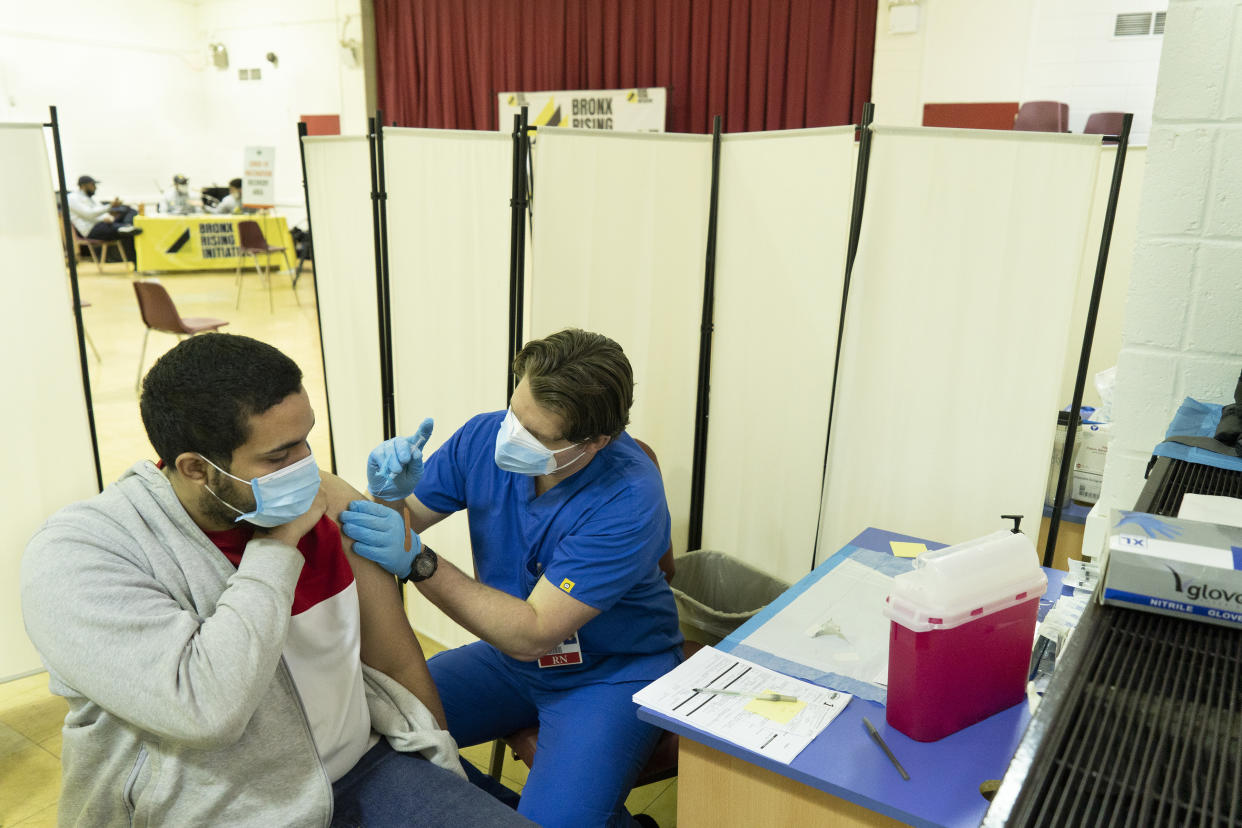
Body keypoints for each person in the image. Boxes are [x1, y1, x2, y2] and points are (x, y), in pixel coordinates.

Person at [21, 333, 532, 827]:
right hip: (217, 809)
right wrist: (277, 546)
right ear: (196, 468)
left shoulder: (328, 502)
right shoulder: (81, 555)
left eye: (307, 439)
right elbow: (207, 709)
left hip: (366, 770)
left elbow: (395, 656)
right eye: (278, 455)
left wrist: (440, 764)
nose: (306, 466)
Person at [341, 328, 682, 828]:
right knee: (366, 727)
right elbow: (403, 524)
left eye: (537, 436)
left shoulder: (627, 498)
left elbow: (534, 633)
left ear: (594, 443)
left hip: (609, 670)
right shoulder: (486, 438)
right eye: (513, 415)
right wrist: (390, 496)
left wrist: (419, 562)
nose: (512, 438)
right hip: (510, 661)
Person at [67, 174, 141, 265]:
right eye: (92, 185)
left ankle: (125, 227)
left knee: (129, 210)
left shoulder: (90, 199)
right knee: (129, 232)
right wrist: (110, 206)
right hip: (92, 230)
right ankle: (124, 228)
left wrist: (109, 217)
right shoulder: (72, 198)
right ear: (83, 185)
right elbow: (89, 214)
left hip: (104, 225)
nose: (95, 188)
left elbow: (102, 213)